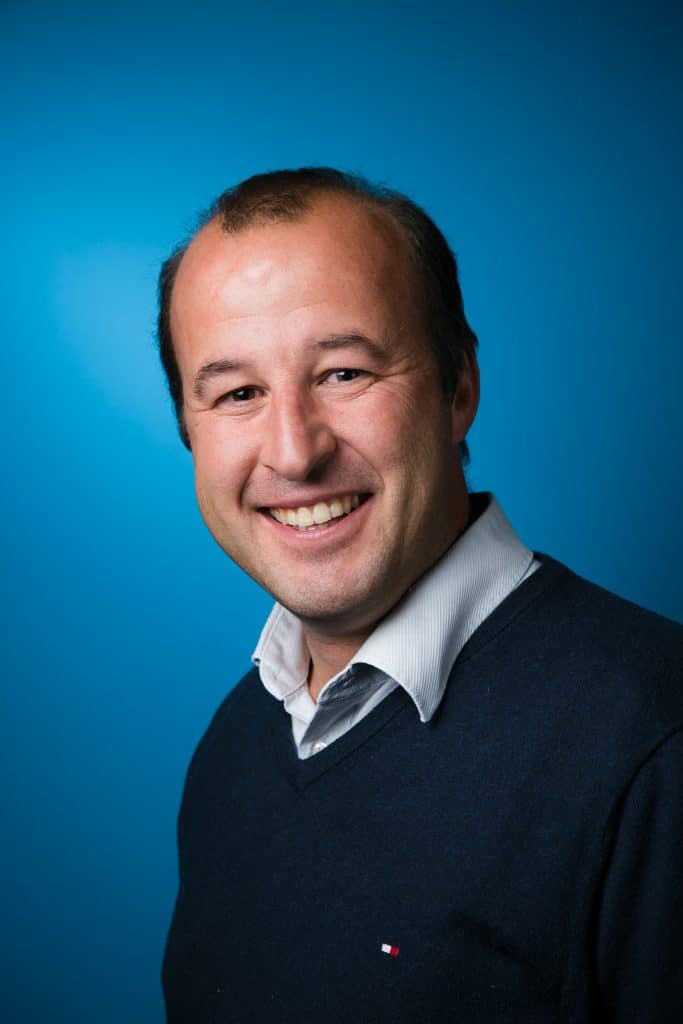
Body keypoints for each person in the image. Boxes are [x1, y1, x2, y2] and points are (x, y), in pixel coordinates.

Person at [158, 168, 683, 1023]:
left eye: (343, 373)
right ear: (189, 430)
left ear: (457, 388)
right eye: (238, 393)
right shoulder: (235, 746)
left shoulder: (654, 747)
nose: (293, 452)